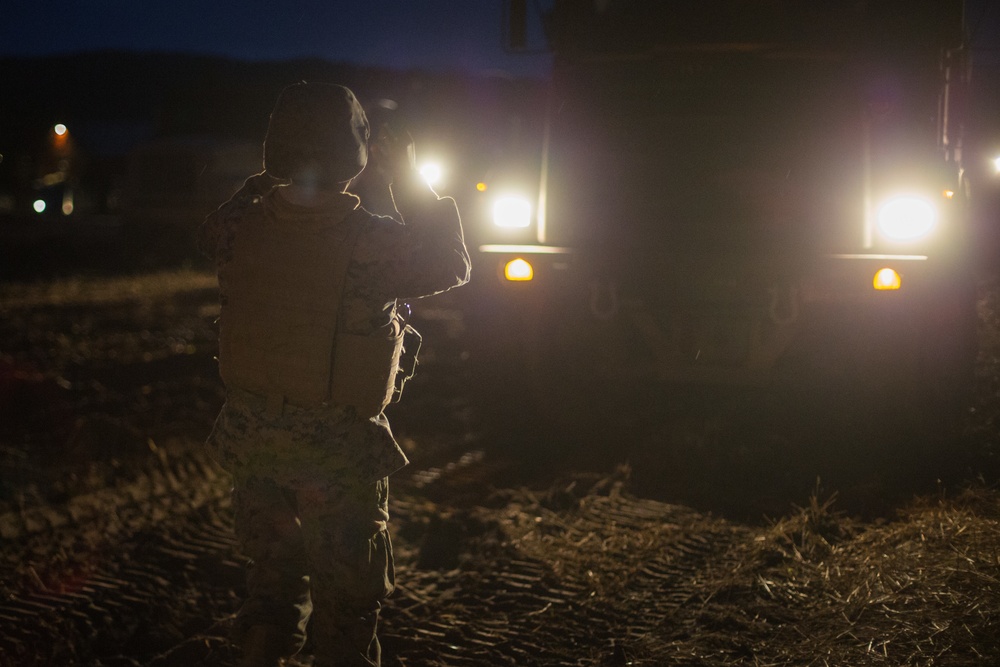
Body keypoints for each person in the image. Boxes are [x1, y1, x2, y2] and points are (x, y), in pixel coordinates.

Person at [198, 82, 471, 667]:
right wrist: (407, 178)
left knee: (271, 592)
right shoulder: (372, 242)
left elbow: (216, 224)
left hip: (253, 443)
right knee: (347, 609)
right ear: (355, 153)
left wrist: (268, 177)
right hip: (336, 454)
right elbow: (450, 260)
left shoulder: (237, 229)